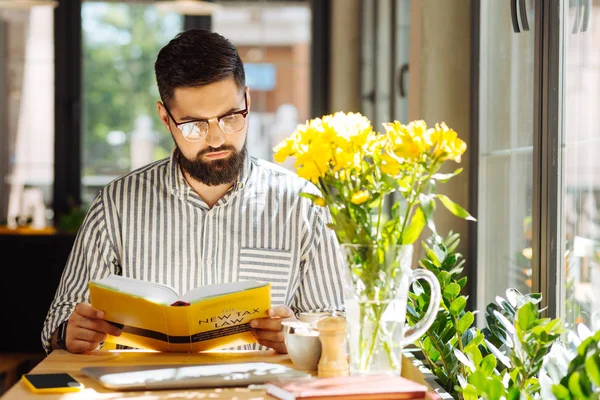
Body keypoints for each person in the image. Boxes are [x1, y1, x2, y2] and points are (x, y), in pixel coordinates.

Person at [41, 29, 345, 355]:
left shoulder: (302, 205)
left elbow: (339, 327)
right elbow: (57, 323)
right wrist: (69, 332)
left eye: (230, 117)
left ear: (247, 102)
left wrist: (296, 334)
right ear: (165, 118)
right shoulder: (116, 204)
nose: (215, 139)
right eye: (193, 125)